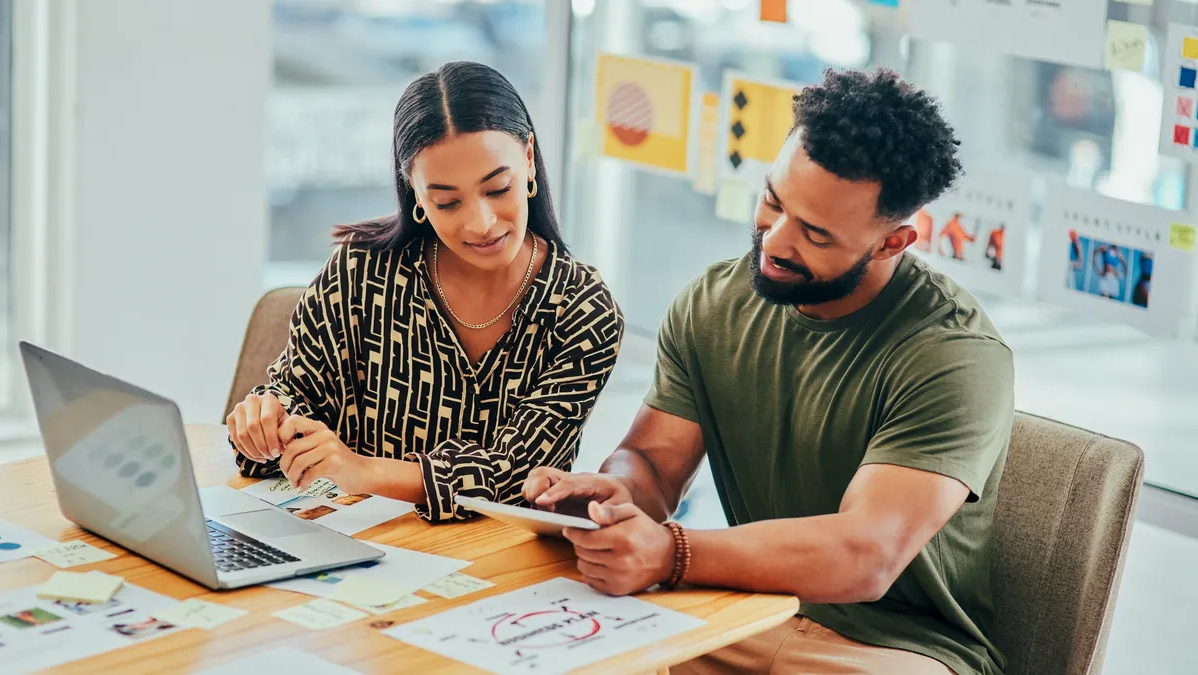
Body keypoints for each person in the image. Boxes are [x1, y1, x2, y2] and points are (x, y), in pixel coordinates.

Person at [524, 68, 1013, 675]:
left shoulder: (953, 353)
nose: (775, 241)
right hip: (746, 612)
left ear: (893, 243)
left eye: (814, 233)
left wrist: (671, 553)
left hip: (896, 650)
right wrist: (617, 495)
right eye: (773, 200)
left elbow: (867, 554)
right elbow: (653, 465)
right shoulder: (713, 304)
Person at [228, 61, 625, 522]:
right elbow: (296, 398)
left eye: (498, 188)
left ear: (529, 158)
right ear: (414, 193)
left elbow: (517, 477)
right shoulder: (360, 272)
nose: (481, 223)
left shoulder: (582, 310)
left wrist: (360, 470)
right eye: (447, 202)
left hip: (500, 570)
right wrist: (266, 424)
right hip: (354, 543)